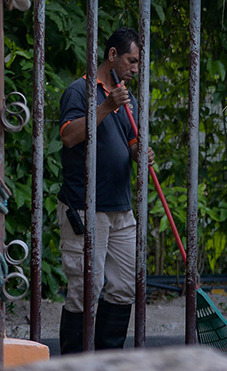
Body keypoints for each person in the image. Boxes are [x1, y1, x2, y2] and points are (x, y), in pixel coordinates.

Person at [57, 27, 151, 353]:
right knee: (86, 288)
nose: (136, 68)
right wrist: (106, 106)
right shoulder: (79, 90)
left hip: (121, 208)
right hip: (84, 207)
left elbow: (133, 144)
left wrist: (143, 153)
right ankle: (73, 362)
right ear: (112, 55)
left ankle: (108, 361)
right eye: (131, 60)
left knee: (125, 287)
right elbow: (68, 136)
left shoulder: (128, 97)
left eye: (139, 62)